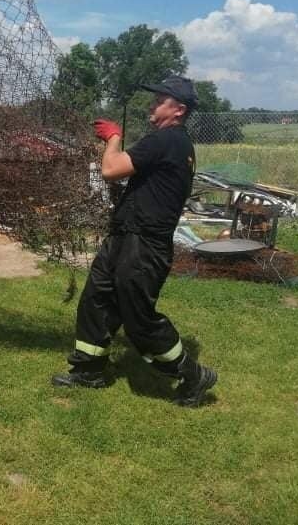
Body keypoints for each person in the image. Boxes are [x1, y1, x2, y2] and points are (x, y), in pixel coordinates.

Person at [51, 76, 217, 407]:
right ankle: (90, 369)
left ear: (179, 110)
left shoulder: (167, 140)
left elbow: (111, 169)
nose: (152, 104)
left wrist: (113, 137)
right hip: (125, 236)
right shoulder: (170, 142)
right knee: (96, 298)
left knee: (138, 317)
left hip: (144, 245)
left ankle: (193, 375)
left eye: (160, 100)